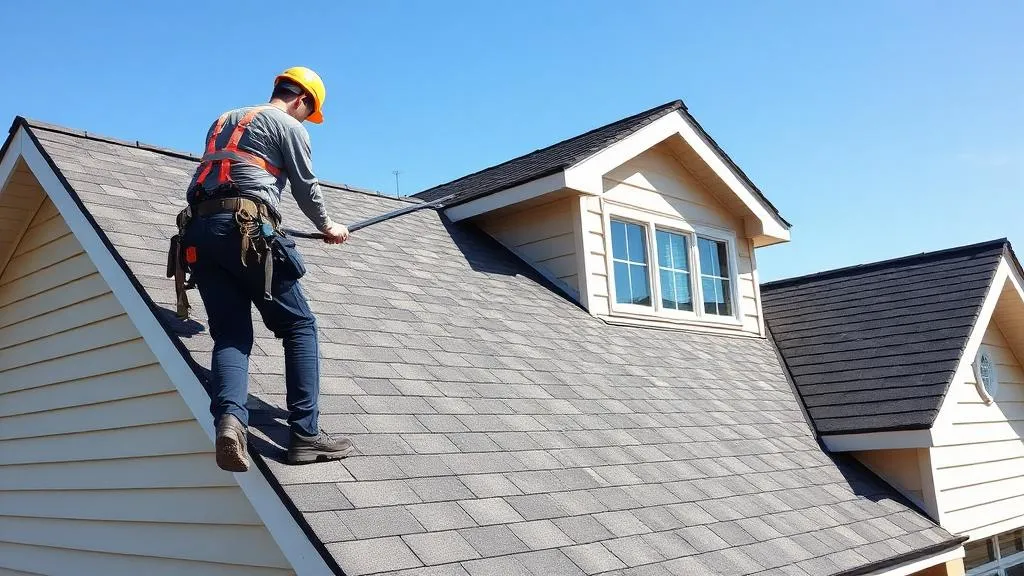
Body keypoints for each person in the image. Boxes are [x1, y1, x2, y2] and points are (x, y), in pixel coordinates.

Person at [179, 66, 354, 472]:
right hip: (246, 230)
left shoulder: (223, 119)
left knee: (231, 333)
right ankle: (305, 437)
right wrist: (328, 227)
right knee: (299, 326)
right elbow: (305, 186)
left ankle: (230, 422)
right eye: (308, 112)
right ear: (302, 100)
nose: (305, 119)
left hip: (199, 232)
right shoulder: (289, 126)